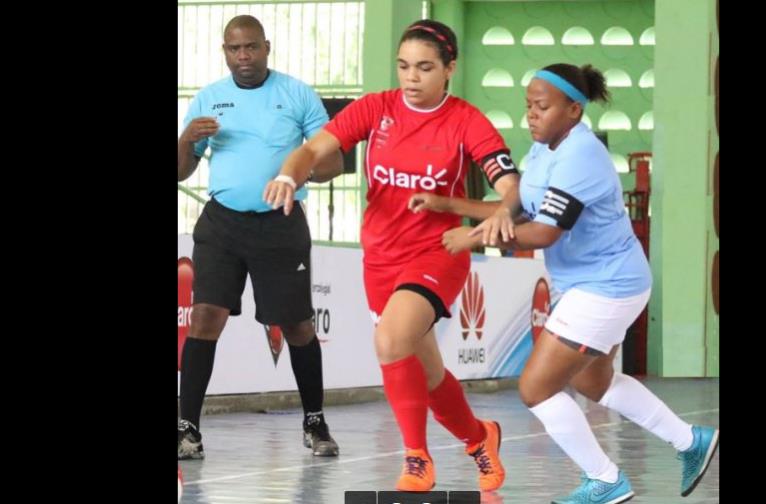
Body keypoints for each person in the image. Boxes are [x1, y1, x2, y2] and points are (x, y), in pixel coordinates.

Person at [437, 63, 719, 504]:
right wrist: (449, 204)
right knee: (594, 383)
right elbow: (517, 209)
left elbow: (546, 232)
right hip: (598, 283)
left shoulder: (580, 156)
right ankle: (691, 441)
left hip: (605, 286)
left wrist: (474, 236)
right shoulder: (546, 151)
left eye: (542, 106)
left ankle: (604, 479)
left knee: (535, 387)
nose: (531, 114)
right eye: (528, 105)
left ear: (573, 109)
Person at [264, 19, 519, 493]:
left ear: (450, 69)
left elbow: (511, 189)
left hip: (437, 251)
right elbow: (313, 149)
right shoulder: (377, 108)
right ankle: (479, 437)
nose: (411, 78)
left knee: (388, 340)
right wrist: (287, 176)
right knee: (427, 369)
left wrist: (491, 214)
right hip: (380, 257)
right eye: (403, 66)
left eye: (424, 68)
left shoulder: (466, 120)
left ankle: (416, 459)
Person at [177, 14, 343, 460]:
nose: (244, 56)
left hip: (281, 223)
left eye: (251, 47)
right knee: (204, 317)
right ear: (225, 52)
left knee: (297, 325)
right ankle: (187, 428)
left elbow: (333, 164)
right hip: (221, 224)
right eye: (235, 49)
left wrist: (298, 171)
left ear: (267, 48)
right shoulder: (208, 100)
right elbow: (182, 169)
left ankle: (314, 422)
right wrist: (185, 138)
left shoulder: (296, 94)